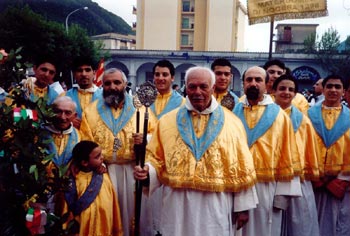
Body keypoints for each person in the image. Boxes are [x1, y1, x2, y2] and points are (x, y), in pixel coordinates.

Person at [134, 66, 258, 236]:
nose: (197, 91)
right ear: (186, 88)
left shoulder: (233, 123)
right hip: (177, 204)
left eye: (203, 86)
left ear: (213, 88)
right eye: (192, 86)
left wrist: (243, 206)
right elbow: (156, 158)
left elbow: (242, 166)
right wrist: (148, 172)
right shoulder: (167, 122)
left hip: (215, 204)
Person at [79, 68, 149, 236]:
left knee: (133, 215)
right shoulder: (91, 111)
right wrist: (96, 163)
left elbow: (154, 137)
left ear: (125, 84)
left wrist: (145, 140)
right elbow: (85, 140)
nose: (113, 86)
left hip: (131, 170)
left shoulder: (140, 108)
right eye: (108, 83)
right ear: (102, 86)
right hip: (103, 171)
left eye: (117, 82)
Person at [233, 66, 302, 236]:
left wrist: (282, 196)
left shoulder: (279, 116)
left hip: (266, 187)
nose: (253, 84)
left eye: (258, 80)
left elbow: (288, 154)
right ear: (243, 84)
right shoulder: (234, 113)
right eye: (249, 80)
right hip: (237, 183)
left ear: (267, 85)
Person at [272, 74, 320, 236]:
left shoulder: (303, 120)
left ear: (295, 94)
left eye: (291, 90)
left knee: (299, 223)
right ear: (274, 91)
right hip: (270, 177)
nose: (286, 92)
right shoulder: (265, 116)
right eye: (282, 88)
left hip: (297, 178)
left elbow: (309, 150)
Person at [308, 74, 350, 236]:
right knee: (311, 223)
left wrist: (342, 179)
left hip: (342, 183)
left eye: (337, 87)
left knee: (340, 224)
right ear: (323, 90)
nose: (333, 90)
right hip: (314, 182)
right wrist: (314, 175)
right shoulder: (308, 116)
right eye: (329, 86)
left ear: (344, 91)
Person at [62, 140, 123, 236]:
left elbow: (114, 207)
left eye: (101, 154)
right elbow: (66, 212)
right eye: (97, 157)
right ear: (84, 162)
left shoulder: (104, 177)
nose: (102, 158)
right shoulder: (74, 181)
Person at [65, 56, 102, 129]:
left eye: (87, 70)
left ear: (94, 73)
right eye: (79, 70)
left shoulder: (104, 96)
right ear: (74, 74)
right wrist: (68, 120)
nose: (84, 74)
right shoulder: (65, 96)